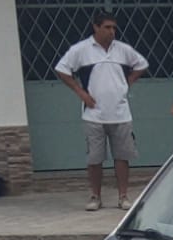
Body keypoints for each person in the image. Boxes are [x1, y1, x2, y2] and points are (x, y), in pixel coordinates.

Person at [55, 11, 148, 211]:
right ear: (96, 27)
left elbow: (141, 64)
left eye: (114, 27)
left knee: (122, 156)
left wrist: (127, 83)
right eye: (107, 27)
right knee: (95, 158)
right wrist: (81, 93)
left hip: (121, 113)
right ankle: (95, 196)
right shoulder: (81, 50)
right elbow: (62, 69)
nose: (111, 31)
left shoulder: (123, 50)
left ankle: (123, 196)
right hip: (94, 114)